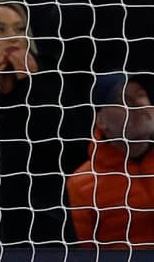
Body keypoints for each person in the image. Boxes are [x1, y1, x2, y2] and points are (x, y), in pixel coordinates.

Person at [67, 74, 154, 249]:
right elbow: (84, 252)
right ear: (101, 121)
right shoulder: (82, 184)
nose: (138, 105)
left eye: (140, 94)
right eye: (122, 100)